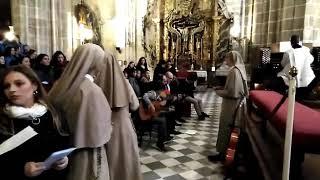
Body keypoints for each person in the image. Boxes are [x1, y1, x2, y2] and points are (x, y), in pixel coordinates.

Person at [49, 44, 113, 180]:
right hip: (89, 154)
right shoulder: (92, 91)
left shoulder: (60, 85)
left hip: (64, 152)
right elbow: (99, 131)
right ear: (95, 63)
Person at [0, 65, 69, 180]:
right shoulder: (3, 119)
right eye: (7, 86)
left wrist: (64, 160)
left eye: (19, 83)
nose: (11, 89)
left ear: (34, 85)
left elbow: (64, 142)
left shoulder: (52, 112)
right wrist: (21, 169)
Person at [95, 49, 142, 180]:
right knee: (127, 164)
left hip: (104, 130)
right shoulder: (125, 82)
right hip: (124, 128)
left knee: (111, 165)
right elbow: (135, 105)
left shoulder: (94, 85)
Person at [208, 51, 248, 162]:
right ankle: (226, 154)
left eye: (227, 58)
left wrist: (218, 92)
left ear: (232, 59)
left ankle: (223, 155)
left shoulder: (234, 71)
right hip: (235, 104)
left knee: (226, 128)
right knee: (230, 128)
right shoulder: (239, 70)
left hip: (231, 106)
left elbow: (232, 93)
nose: (225, 60)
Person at [275, 35, 315, 99]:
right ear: (299, 41)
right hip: (305, 75)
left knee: (280, 75)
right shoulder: (306, 50)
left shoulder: (288, 52)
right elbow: (311, 60)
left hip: (293, 74)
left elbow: (283, 64)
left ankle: (285, 93)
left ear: (291, 42)